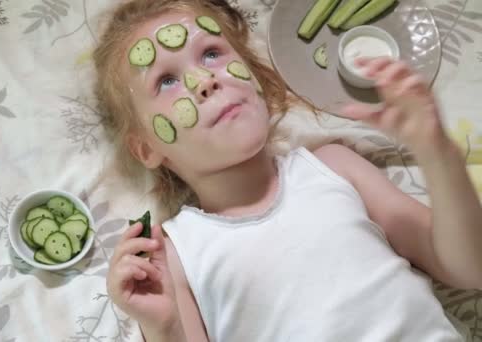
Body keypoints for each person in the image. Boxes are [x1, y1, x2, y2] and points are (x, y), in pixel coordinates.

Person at [93, 0, 482, 340]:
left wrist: (438, 155)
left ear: (256, 76)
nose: (204, 80)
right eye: (167, 80)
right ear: (146, 148)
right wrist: (164, 330)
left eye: (211, 53)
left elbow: (468, 269)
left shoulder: (333, 166)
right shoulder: (175, 254)